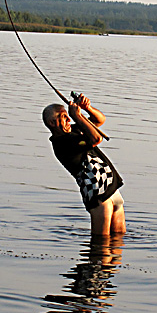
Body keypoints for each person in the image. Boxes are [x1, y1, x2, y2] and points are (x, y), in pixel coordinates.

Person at [42, 93, 125, 237]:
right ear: (52, 123)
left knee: (118, 240)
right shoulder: (61, 144)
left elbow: (99, 120)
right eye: (64, 116)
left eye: (68, 116)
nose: (68, 119)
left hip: (112, 188)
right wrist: (77, 116)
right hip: (98, 195)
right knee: (101, 244)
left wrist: (87, 108)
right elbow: (96, 138)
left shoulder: (75, 130)